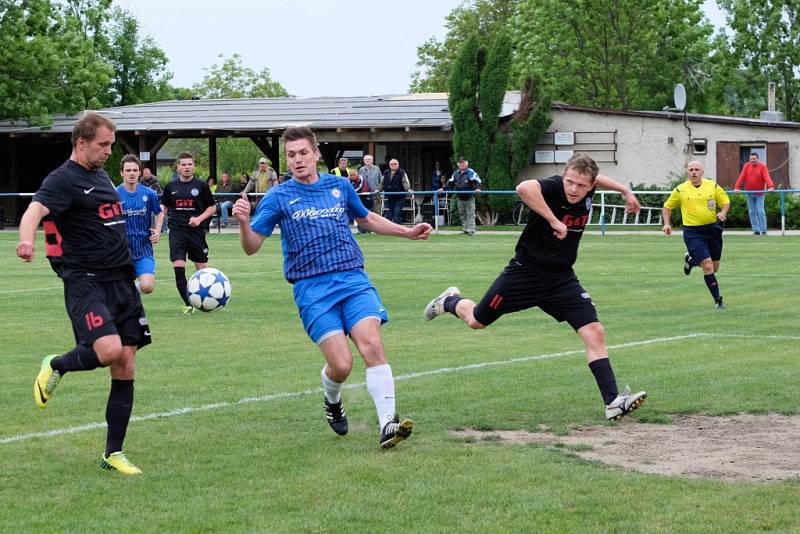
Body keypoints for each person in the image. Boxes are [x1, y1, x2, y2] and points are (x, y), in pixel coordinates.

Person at [232, 126, 432, 449]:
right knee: (342, 365)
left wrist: (406, 232)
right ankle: (331, 398)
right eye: (291, 155)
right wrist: (243, 223)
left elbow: (366, 219)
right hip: (311, 289)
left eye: (302, 153)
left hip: (352, 278)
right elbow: (252, 245)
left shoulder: (339, 186)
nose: (297, 160)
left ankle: (387, 425)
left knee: (372, 346)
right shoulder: (278, 197)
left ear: (315, 154)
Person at [423, 154, 647, 421]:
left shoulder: (590, 185)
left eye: (581, 185)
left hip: (561, 279)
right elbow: (524, 188)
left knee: (594, 332)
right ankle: (450, 300)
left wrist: (625, 190)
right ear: (564, 177)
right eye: (570, 182)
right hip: (525, 273)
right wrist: (553, 220)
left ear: (591, 186)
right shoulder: (553, 187)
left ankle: (612, 402)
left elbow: (598, 177)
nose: (573, 189)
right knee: (477, 321)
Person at [16, 111, 151, 475]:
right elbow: (33, 211)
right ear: (81, 143)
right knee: (107, 351)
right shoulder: (63, 179)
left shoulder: (101, 174)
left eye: (111, 144)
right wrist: (26, 240)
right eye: (103, 144)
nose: (109, 151)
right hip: (86, 280)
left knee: (126, 363)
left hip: (120, 281)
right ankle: (56, 364)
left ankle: (113, 453)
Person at [663, 160, 730, 309]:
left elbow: (725, 201)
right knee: (707, 267)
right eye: (691, 169)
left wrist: (722, 212)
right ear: (687, 172)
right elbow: (667, 206)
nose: (694, 172)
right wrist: (667, 223)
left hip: (713, 230)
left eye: (697, 169)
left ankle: (691, 261)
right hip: (693, 232)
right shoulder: (680, 190)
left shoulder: (712, 186)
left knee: (714, 266)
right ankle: (718, 300)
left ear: (702, 172)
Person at [160, 152, 217, 315]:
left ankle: (209, 300)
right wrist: (157, 225)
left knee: (202, 271)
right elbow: (163, 208)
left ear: (194, 166)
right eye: (183, 164)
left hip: (196, 232)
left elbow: (212, 207)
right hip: (177, 231)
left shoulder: (201, 185)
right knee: (179, 267)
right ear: (178, 167)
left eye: (189, 164)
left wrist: (198, 219)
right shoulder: (171, 187)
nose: (187, 167)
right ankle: (188, 304)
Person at [116, 154, 164, 294]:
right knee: (121, 289)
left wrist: (157, 230)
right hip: (122, 250)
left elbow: (159, 212)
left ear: (139, 172)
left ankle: (132, 294)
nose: (132, 173)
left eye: (135, 170)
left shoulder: (149, 194)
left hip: (143, 248)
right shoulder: (114, 194)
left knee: (147, 287)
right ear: (122, 173)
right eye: (128, 170)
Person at [734, 152, 774, 235]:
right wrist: (737, 187)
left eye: (754, 159)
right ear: (749, 159)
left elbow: (767, 177)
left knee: (761, 212)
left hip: (760, 193)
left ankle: (763, 231)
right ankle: (756, 230)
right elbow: (741, 177)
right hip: (750, 193)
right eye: (751, 159)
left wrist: (770, 186)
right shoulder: (746, 166)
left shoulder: (762, 166)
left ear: (757, 159)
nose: (753, 160)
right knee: (752, 212)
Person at [441, 156, 482, 235]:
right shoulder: (455, 173)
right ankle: (465, 229)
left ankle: (471, 230)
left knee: (470, 214)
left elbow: (477, 180)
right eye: (460, 163)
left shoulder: (471, 172)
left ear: (466, 164)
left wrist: (478, 188)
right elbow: (450, 183)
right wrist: (443, 189)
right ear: (458, 164)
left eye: (463, 163)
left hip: (469, 197)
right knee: (462, 214)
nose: (462, 164)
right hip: (460, 198)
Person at [378, 158, 412, 224]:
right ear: (389, 165)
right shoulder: (386, 172)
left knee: (397, 213)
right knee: (389, 214)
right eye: (391, 164)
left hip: (399, 197)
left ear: (398, 165)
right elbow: (382, 183)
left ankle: (397, 230)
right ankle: (390, 230)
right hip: (389, 197)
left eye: (395, 164)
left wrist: (408, 189)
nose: (393, 165)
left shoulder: (402, 172)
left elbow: (405, 182)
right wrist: (378, 190)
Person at [348, 168, 372, 233]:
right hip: (357, 199)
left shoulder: (362, 179)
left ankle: (369, 230)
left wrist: (351, 192)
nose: (351, 177)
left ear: (357, 174)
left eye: (353, 175)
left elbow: (361, 189)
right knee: (358, 214)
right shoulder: (347, 180)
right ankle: (362, 230)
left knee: (366, 214)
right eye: (350, 175)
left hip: (366, 199)